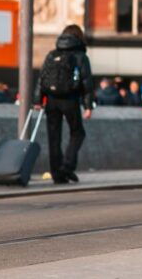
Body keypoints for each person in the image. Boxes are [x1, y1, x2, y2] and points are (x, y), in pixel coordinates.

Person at [33, 24, 94, 184]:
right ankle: (67, 166)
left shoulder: (52, 54)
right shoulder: (81, 56)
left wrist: (38, 100)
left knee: (54, 137)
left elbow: (42, 78)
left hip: (51, 100)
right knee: (78, 133)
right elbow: (87, 83)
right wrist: (88, 106)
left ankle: (57, 174)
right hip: (70, 99)